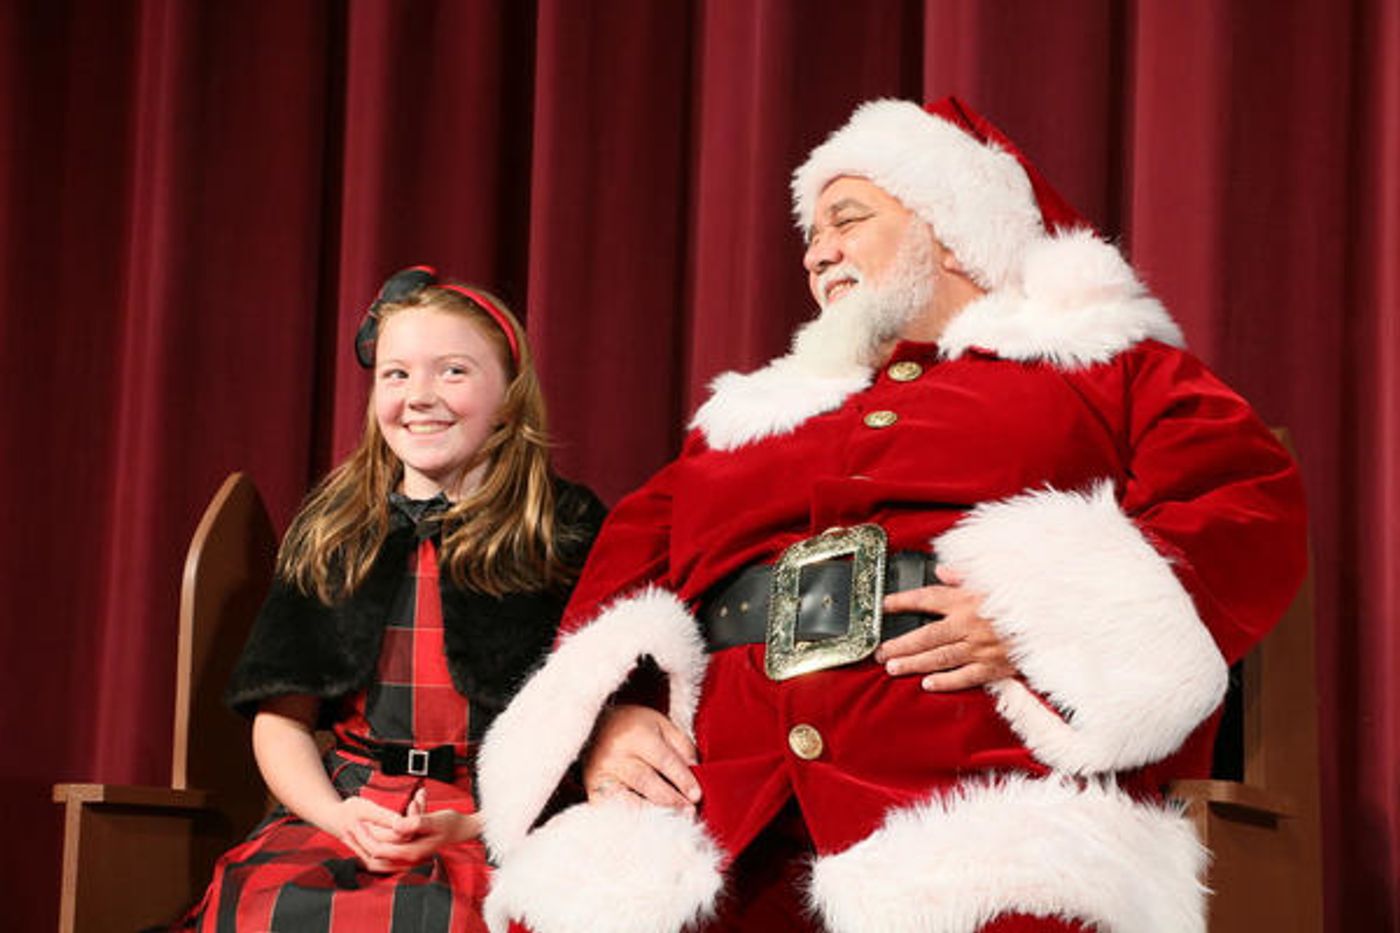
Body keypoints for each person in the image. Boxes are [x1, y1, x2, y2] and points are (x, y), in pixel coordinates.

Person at [475, 98, 1308, 933]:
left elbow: (1245, 500)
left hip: (973, 795)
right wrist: (612, 720)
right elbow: (619, 590)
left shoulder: (1095, 365)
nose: (817, 251)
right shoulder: (746, 420)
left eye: (848, 218)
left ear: (950, 231)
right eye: (810, 235)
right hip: (721, 811)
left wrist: (1048, 618)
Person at [177, 267, 606, 932]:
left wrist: (478, 820)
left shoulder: (563, 529)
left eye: (453, 371)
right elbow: (281, 719)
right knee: (266, 907)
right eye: (396, 374)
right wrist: (338, 815)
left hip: (502, 815)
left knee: (460, 919)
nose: (419, 396)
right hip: (351, 807)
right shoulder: (336, 527)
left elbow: (592, 731)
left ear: (511, 399)